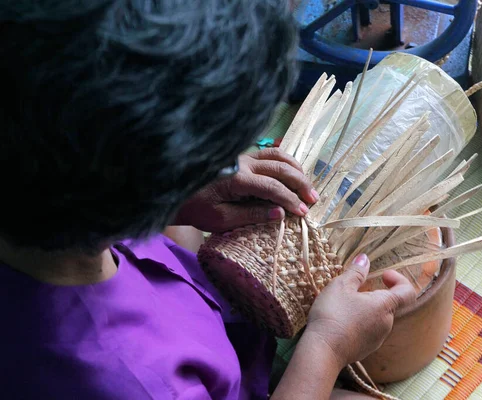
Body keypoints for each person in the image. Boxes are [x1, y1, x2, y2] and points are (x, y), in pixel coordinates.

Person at [0, 1, 416, 399]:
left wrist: (178, 195)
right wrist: (327, 348)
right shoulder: (134, 380)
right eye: (214, 157)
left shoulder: (36, 174)